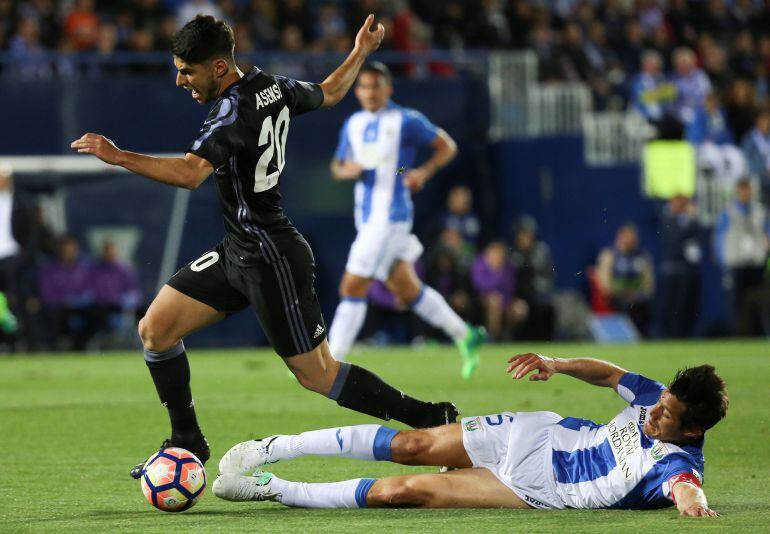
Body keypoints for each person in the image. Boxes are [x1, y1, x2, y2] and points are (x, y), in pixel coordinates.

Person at [70, 14, 457, 479]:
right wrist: (361, 52)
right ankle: (187, 439)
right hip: (240, 247)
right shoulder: (272, 86)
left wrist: (118, 156)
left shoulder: (232, 111)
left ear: (218, 67)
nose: (180, 81)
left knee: (319, 375)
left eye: (187, 71)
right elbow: (331, 92)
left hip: (270, 253)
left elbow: (191, 173)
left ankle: (431, 418)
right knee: (156, 329)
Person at [213, 353, 727, 516]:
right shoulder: (654, 398)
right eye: (660, 404)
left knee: (403, 493)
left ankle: (271, 489)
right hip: (535, 434)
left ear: (693, 429)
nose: (655, 413)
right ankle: (274, 448)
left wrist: (695, 504)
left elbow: (686, 489)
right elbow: (613, 376)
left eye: (667, 415)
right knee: (412, 444)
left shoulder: (676, 465)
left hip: (536, 491)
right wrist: (557, 364)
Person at [327, 61, 484, 379]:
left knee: (352, 285)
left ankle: (328, 364)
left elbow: (446, 146)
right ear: (357, 91)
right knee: (407, 288)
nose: (371, 92)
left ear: (388, 89)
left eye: (376, 86)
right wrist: (348, 171)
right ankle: (466, 334)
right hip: (368, 219)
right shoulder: (354, 124)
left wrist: (424, 173)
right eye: (365, 87)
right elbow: (336, 166)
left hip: (390, 217)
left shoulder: (405, 120)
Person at [714, 178, 770, 336]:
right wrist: (722, 260)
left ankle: (759, 334)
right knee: (738, 303)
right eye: (743, 190)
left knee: (760, 301)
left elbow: (767, 230)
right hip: (737, 263)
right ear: (737, 191)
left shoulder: (759, 211)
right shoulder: (728, 212)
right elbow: (720, 237)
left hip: (757, 262)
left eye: (748, 190)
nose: (745, 193)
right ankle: (740, 335)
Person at [596, 223, 655, 336]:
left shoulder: (642, 256)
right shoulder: (610, 255)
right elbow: (604, 282)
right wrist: (619, 291)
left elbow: (649, 283)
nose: (631, 240)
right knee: (625, 305)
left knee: (644, 306)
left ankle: (642, 335)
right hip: (617, 296)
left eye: (633, 237)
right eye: (627, 237)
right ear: (620, 237)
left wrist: (640, 293)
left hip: (637, 297)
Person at [659, 195, 704, 338]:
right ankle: (672, 336)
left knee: (687, 307)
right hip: (673, 269)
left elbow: (697, 238)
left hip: (688, 270)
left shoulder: (690, 220)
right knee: (673, 307)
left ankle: (685, 335)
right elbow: (674, 240)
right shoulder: (668, 219)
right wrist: (690, 221)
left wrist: (692, 220)